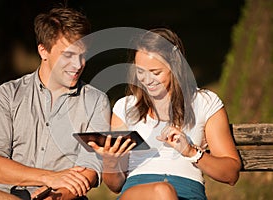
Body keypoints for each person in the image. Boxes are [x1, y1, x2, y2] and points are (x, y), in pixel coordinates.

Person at [89, 28, 242, 200]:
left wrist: (191, 152)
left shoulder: (204, 103)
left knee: (164, 192)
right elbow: (116, 186)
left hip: (188, 193)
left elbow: (230, 174)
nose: (146, 81)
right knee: (162, 191)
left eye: (155, 72)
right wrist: (111, 163)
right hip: (137, 193)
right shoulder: (125, 107)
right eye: (140, 72)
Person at [0, 7, 110, 200]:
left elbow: (90, 169)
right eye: (68, 55)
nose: (78, 64)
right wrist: (50, 178)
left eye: (83, 55)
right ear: (43, 51)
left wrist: (56, 195)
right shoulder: (8, 94)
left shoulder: (96, 101)